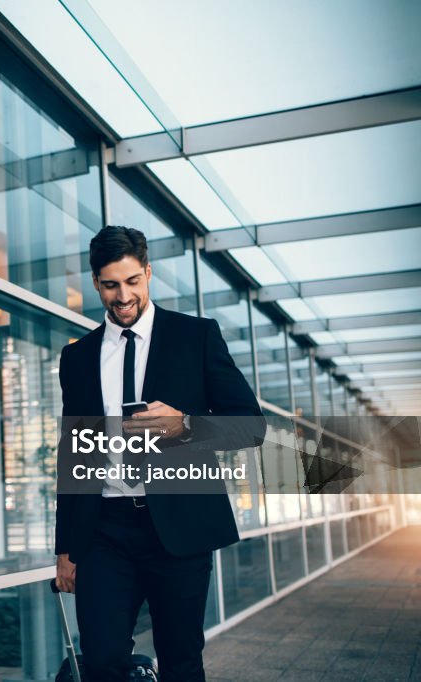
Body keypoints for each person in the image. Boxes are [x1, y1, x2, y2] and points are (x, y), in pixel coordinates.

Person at [54, 226, 265, 681]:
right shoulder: (77, 358)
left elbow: (250, 427)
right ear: (96, 283)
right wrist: (66, 548)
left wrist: (185, 426)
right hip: (105, 530)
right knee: (103, 661)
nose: (122, 295)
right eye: (111, 284)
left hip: (179, 525)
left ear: (148, 274)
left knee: (181, 660)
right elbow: (73, 453)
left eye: (132, 282)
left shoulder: (197, 337)